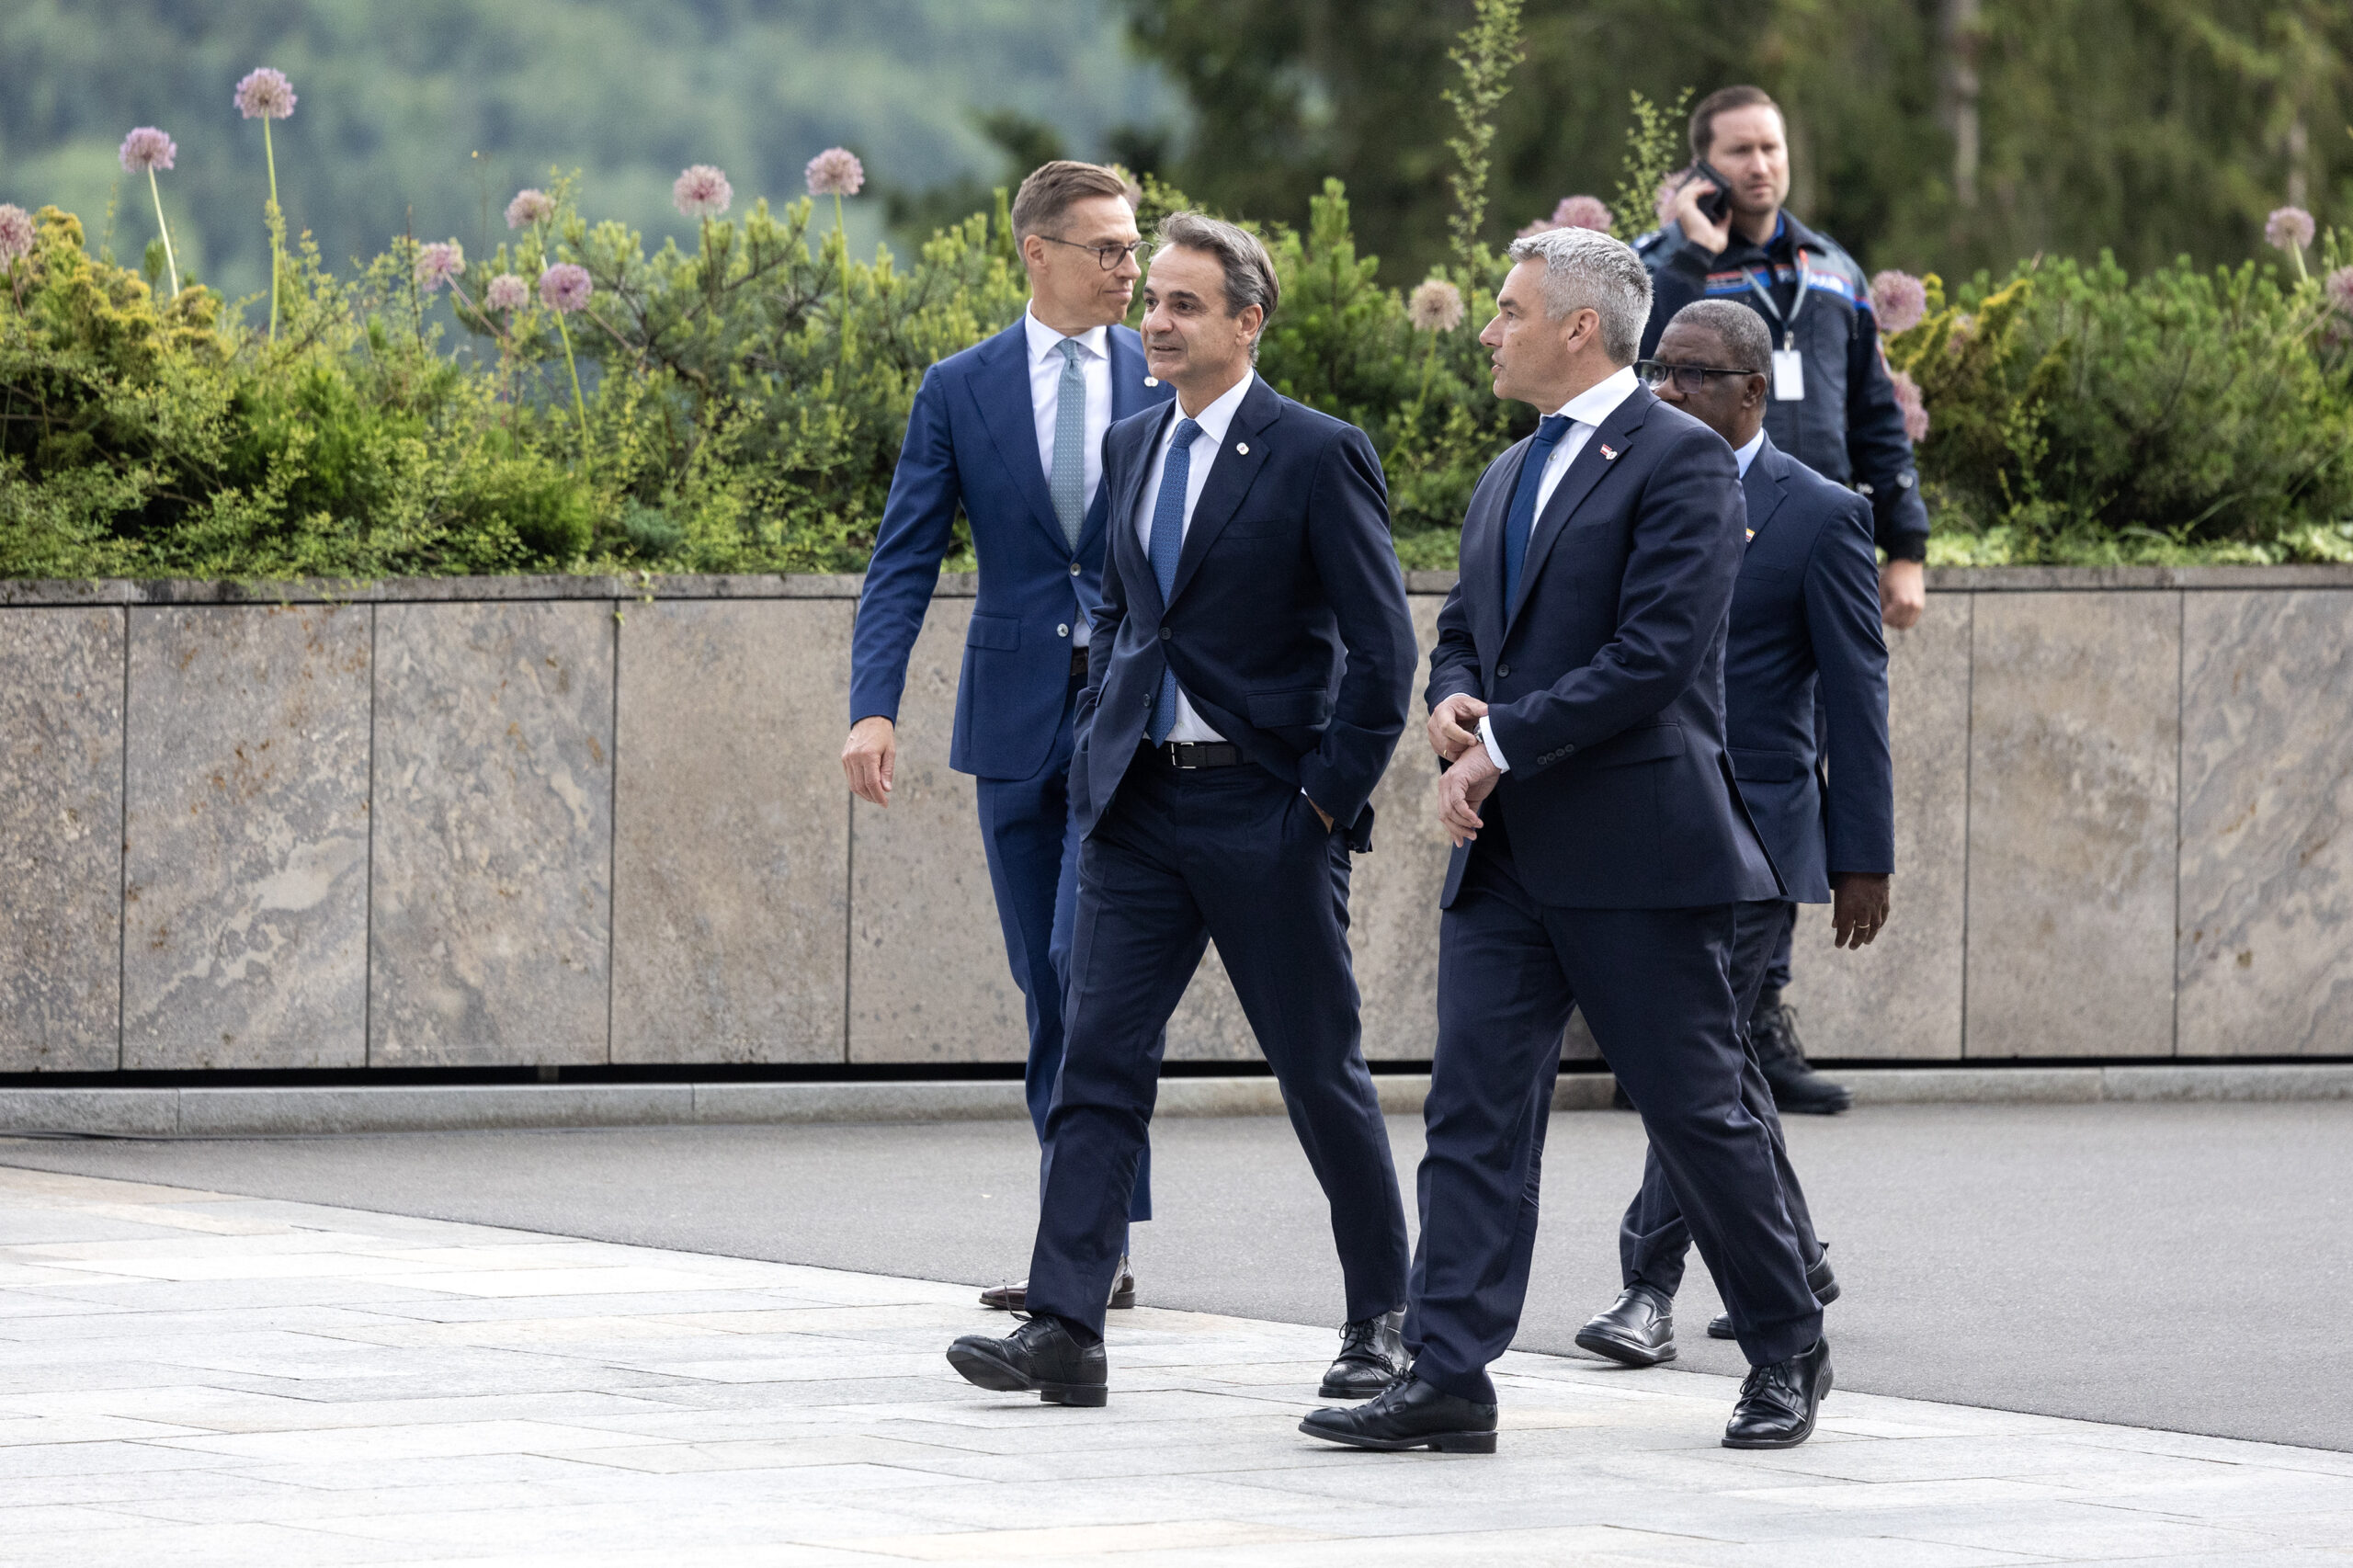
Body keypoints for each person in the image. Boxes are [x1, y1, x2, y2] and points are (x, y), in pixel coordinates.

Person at [1300, 225, 1829, 1458]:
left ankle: (1786, 1341)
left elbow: (1656, 655)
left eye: (1509, 309)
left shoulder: (1683, 460)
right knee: (1473, 1113)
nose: (1489, 329)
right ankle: (1448, 1372)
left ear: (1579, 327)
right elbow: (1465, 627)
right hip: (1507, 855)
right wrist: (1453, 701)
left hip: (1641, 852)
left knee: (1696, 1112)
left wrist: (1502, 741)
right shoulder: (1508, 470)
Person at [944, 212, 1418, 1410]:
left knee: (1318, 1072)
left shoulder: (1316, 452)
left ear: (1247, 322)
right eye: (1151, 299)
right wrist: (1101, 738)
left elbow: (1383, 651)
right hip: (1138, 809)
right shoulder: (1134, 441)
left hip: (1269, 809)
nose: (1154, 320)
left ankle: (1384, 1318)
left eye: (1184, 304)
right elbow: (1120, 608)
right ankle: (1066, 1322)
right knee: (1097, 1061)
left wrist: (1323, 801)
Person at [844, 163, 1173, 1312]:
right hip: (1013, 715)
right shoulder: (960, 386)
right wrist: (873, 705)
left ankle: (1083, 1245)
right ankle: (1089, 1234)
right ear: (1038, 251)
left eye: (1132, 247)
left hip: (1133, 712)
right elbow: (903, 558)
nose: (1130, 269)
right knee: (1045, 978)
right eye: (1107, 249)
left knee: (1090, 970)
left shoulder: (1167, 369)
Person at [1574, 300, 1892, 1370]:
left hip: (1759, 837)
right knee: (1722, 1061)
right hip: (1650, 820)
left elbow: (1856, 697)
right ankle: (1790, 1254)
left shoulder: (1820, 514)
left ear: (1753, 390)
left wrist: (1862, 856)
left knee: (1691, 1054)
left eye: (1694, 374)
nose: (1667, 389)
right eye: (1658, 368)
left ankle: (1646, 1286)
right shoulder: (1627, 482)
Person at [1640, 84, 1921, 1102]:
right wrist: (1690, 257)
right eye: (1739, 151)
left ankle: (1758, 1013)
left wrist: (1905, 545)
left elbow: (1876, 414)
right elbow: (1646, 374)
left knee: (1786, 772)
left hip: (1809, 541)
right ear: (1701, 166)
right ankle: (1694, 1024)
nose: (1760, 166)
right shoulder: (1665, 264)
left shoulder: (1832, 269)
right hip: (1698, 542)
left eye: (1771, 147)